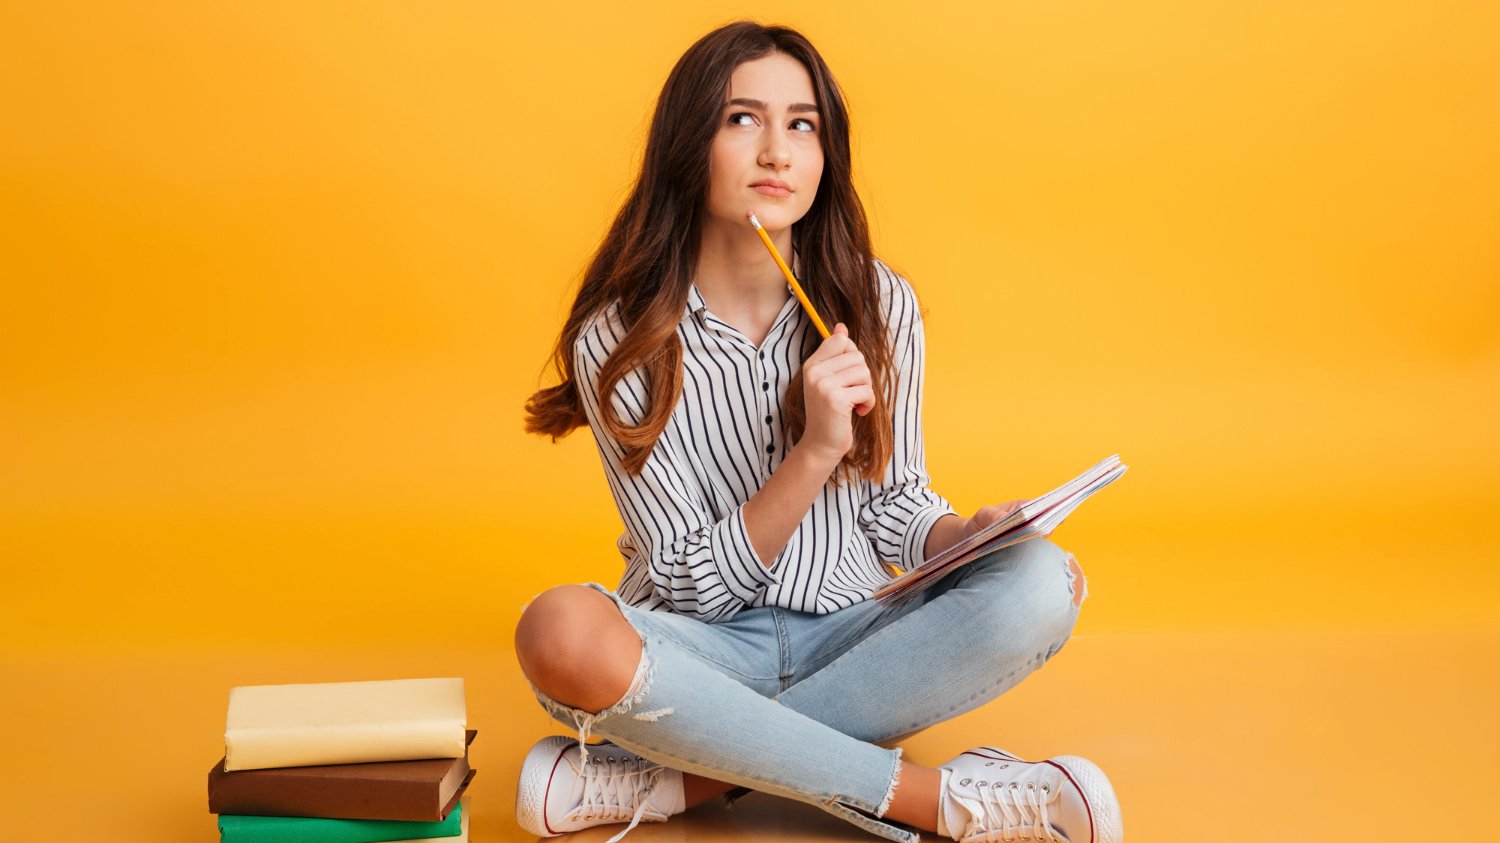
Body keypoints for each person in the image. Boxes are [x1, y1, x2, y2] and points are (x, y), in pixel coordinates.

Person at [513, 20, 1122, 843]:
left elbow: (895, 506)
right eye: (743, 119)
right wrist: (813, 453)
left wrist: (962, 535)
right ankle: (935, 800)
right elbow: (695, 585)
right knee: (557, 630)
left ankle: (680, 779)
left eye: (802, 125)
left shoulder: (879, 305)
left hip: (854, 633)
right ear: (689, 143)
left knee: (1043, 580)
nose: (778, 152)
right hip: (698, 650)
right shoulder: (620, 342)